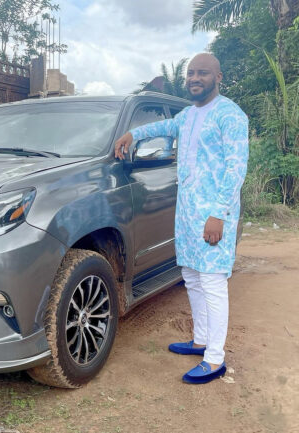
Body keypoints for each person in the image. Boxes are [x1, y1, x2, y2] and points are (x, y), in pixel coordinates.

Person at [114, 53, 249, 384]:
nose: (194, 78)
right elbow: (163, 126)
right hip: (187, 213)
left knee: (213, 282)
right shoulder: (188, 115)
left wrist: (218, 214)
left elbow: (236, 168)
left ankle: (215, 359)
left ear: (218, 77)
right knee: (190, 275)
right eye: (191, 73)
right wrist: (133, 135)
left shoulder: (230, 115)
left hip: (213, 215)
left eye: (202, 73)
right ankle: (200, 340)